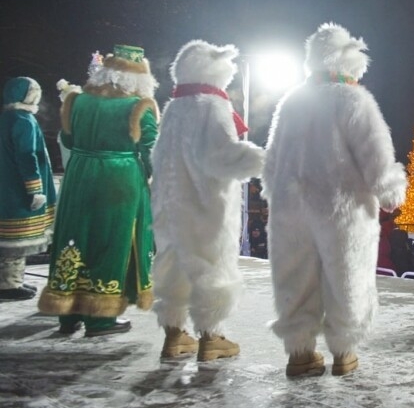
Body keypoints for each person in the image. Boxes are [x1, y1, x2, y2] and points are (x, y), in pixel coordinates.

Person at [263, 23, 407, 377]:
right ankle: (344, 353)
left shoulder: (291, 101)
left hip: (290, 208)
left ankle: (300, 352)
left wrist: (276, 194)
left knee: (295, 277)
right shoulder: (354, 100)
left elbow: (271, 159)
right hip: (342, 207)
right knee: (347, 274)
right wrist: (390, 190)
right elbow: (375, 154)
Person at [149, 39, 267, 361]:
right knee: (210, 264)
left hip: (170, 202)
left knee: (172, 261)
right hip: (206, 203)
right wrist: (262, 160)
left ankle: (174, 337)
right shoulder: (212, 105)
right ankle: (211, 338)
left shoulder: (175, 106)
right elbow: (222, 155)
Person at [38, 46, 159, 336]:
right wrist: (148, 178)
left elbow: (67, 139)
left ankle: (67, 314)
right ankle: (100, 317)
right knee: (111, 241)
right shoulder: (139, 107)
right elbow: (153, 151)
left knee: (74, 236)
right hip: (119, 179)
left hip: (79, 176)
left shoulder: (76, 101)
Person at [0, 77, 56, 301]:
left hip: (6, 187)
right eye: (34, 91)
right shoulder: (24, 120)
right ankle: (9, 285)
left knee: (5, 240)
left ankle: (10, 281)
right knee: (16, 242)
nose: (37, 96)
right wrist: (36, 190)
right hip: (19, 190)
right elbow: (27, 156)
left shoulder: (6, 118)